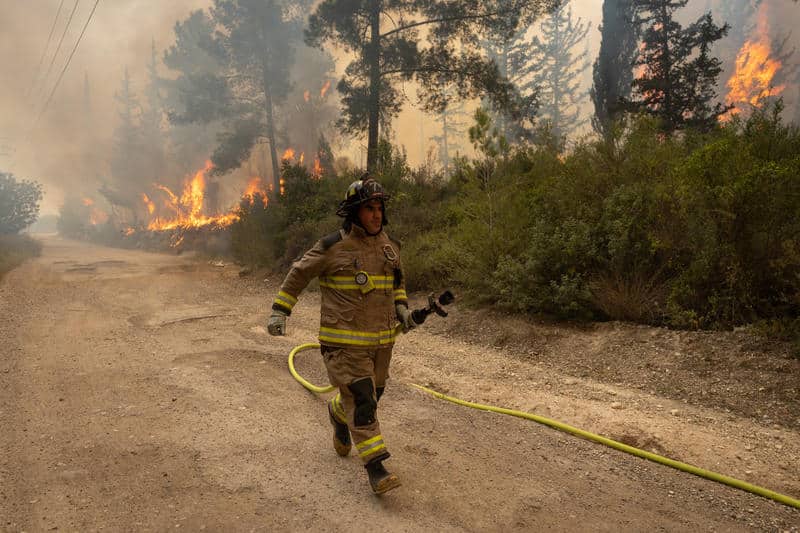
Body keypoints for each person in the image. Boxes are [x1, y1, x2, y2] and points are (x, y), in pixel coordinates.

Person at [267, 176, 416, 494]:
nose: (376, 215)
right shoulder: (332, 246)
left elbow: (398, 282)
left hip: (381, 343)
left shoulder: (390, 247)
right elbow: (299, 273)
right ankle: (376, 468)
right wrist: (280, 310)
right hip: (343, 344)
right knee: (363, 401)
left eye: (379, 208)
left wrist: (402, 308)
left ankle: (337, 412)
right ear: (354, 212)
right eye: (369, 209)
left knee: (374, 395)